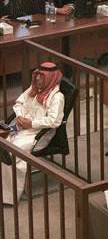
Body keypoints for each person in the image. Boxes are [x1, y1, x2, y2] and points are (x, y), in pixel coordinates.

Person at [1, 62, 65, 205]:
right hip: (20, 127)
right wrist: (19, 116)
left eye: (41, 76)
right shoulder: (34, 89)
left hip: (38, 134)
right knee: (3, 145)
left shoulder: (57, 97)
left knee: (10, 153)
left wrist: (31, 123)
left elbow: (54, 121)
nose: (36, 79)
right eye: (36, 75)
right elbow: (18, 103)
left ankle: (8, 197)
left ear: (50, 78)